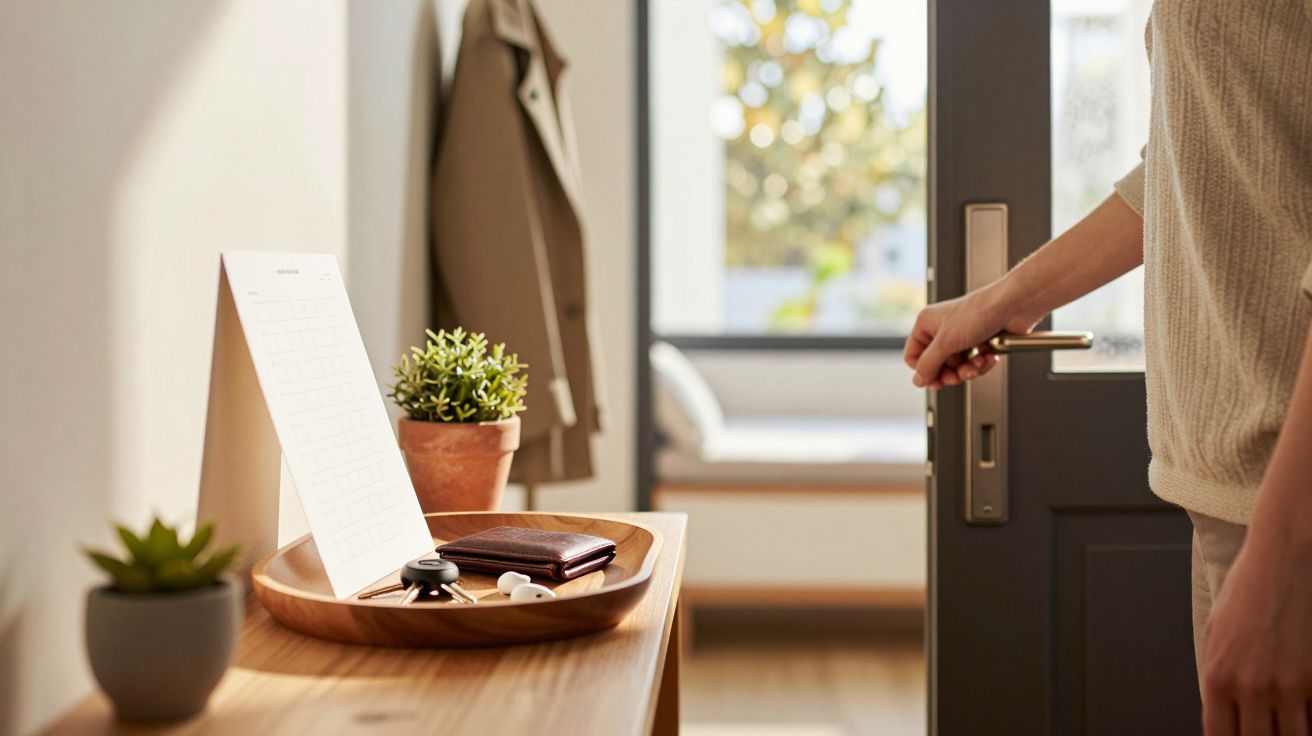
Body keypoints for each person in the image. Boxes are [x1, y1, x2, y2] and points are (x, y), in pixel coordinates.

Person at [903, 4, 1312, 735]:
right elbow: (1205, 154)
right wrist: (1006, 299)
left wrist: (1284, 560)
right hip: (1235, 502)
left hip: (1290, 515)